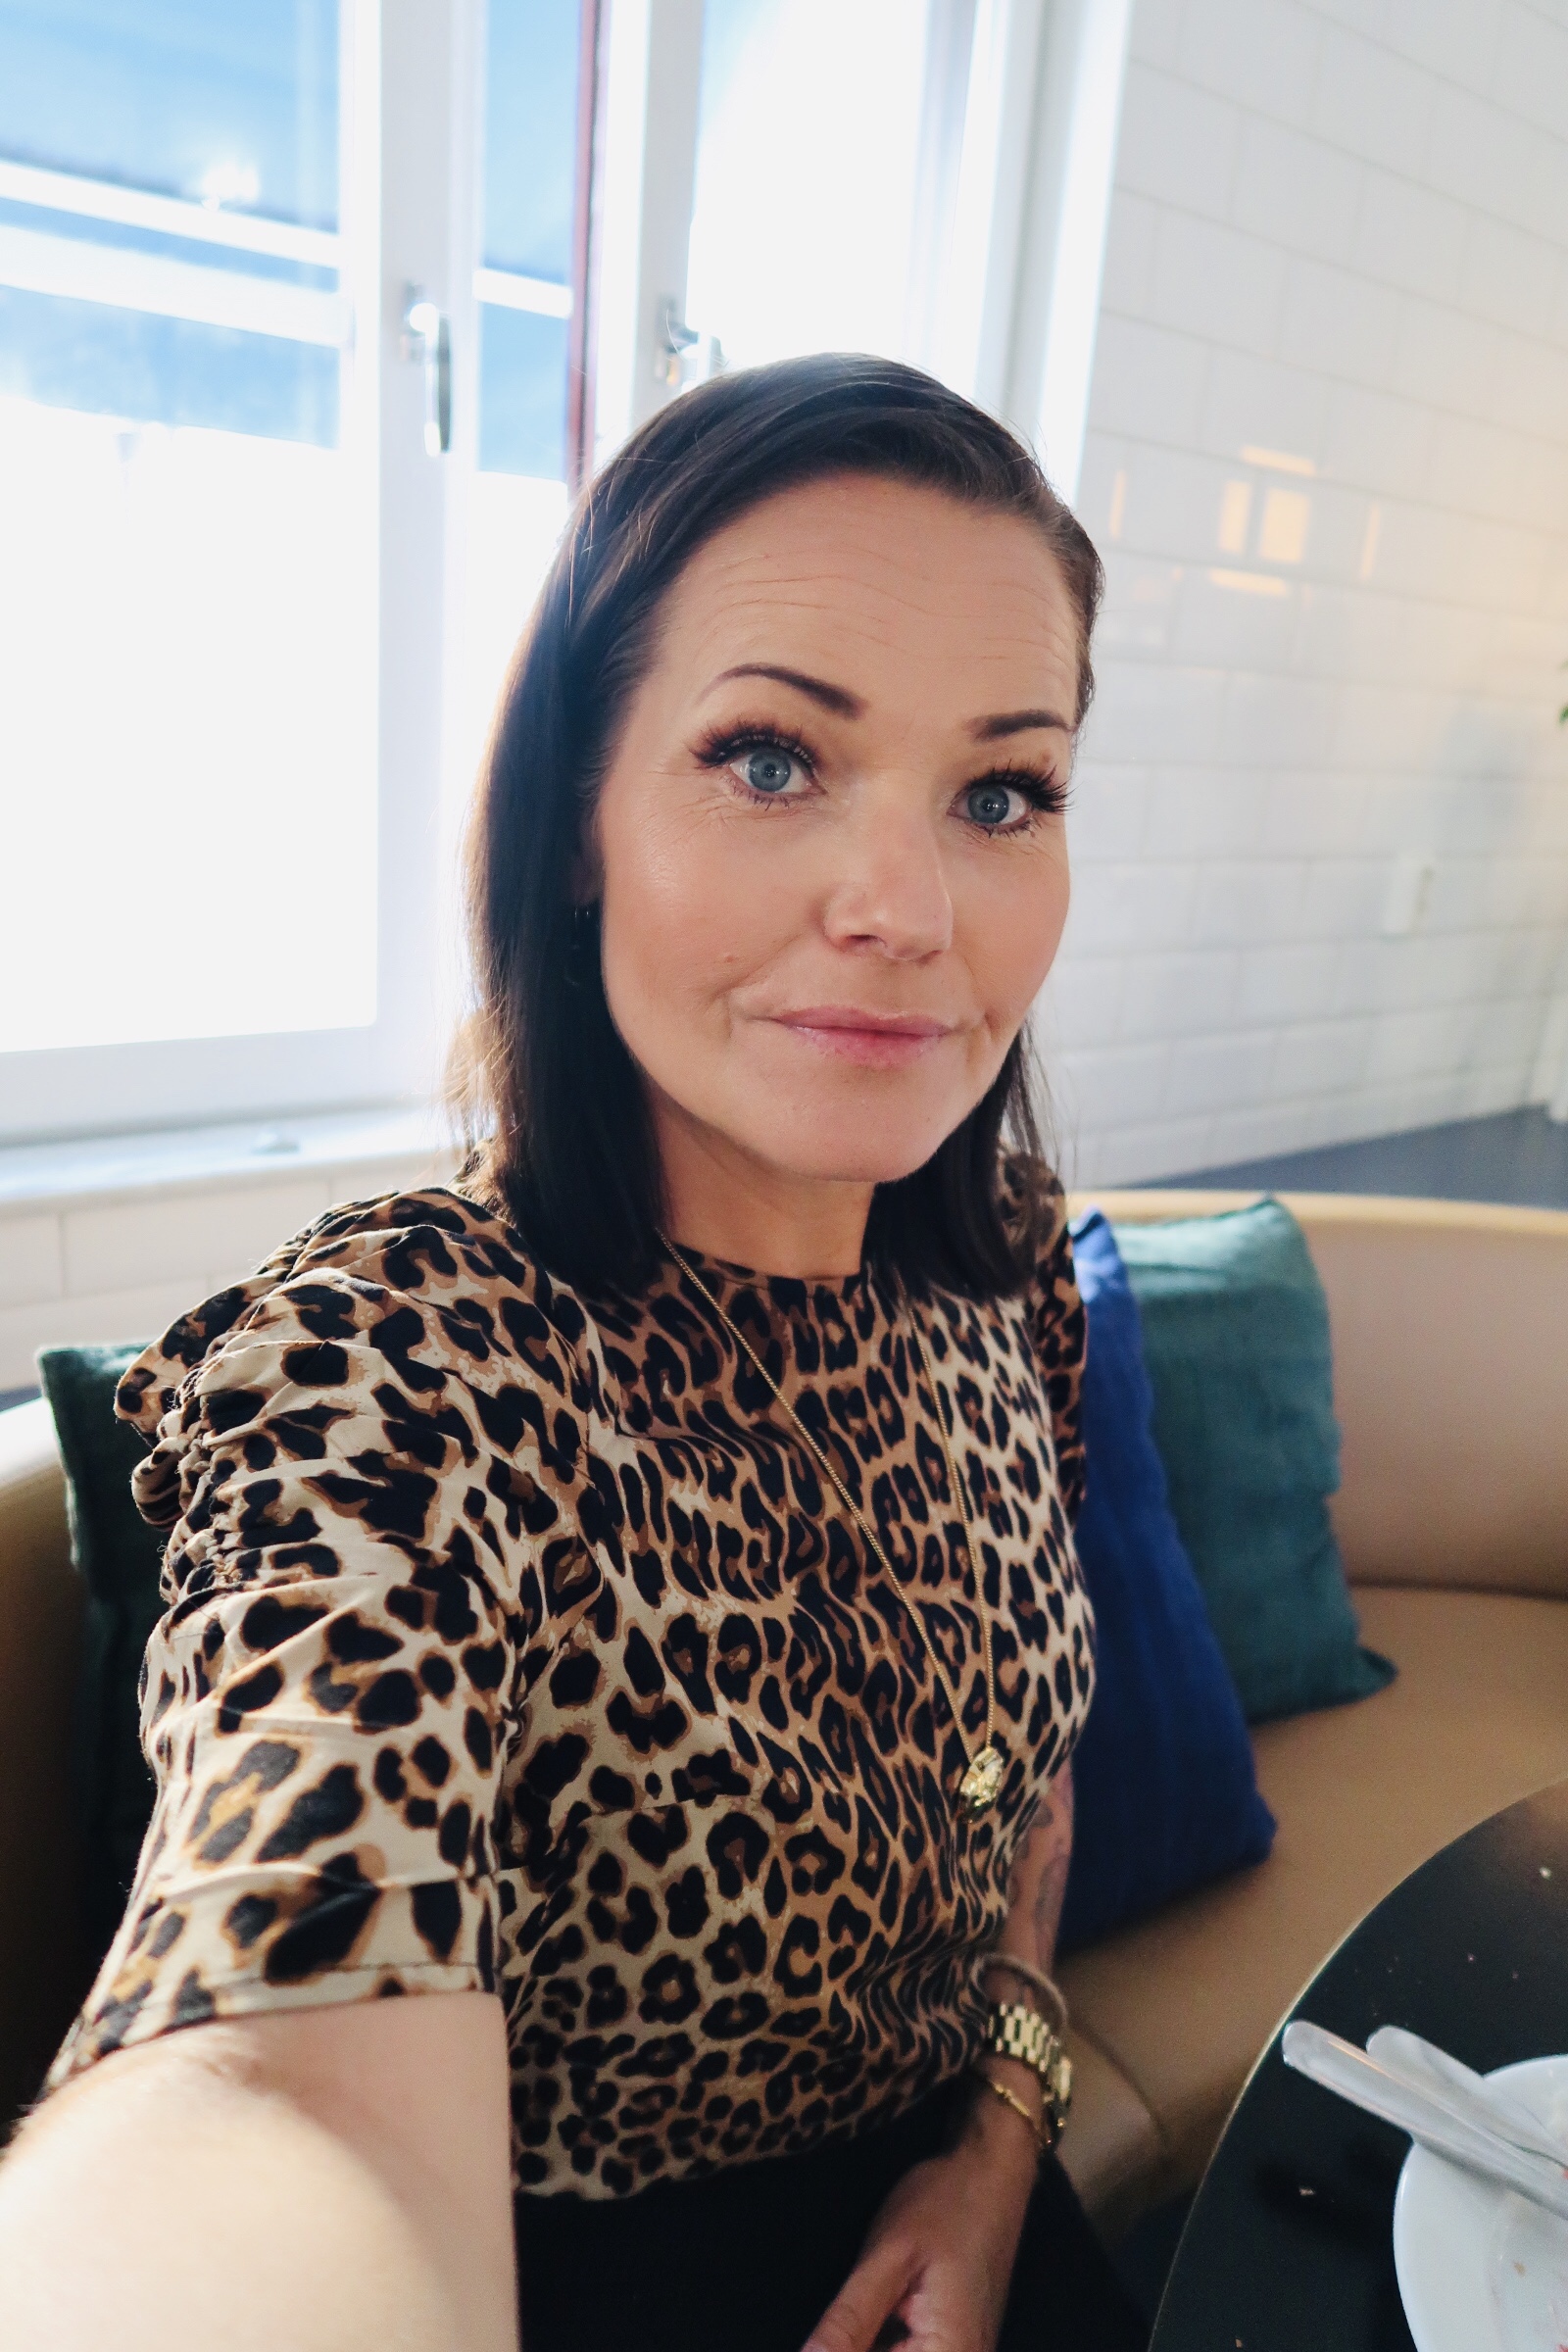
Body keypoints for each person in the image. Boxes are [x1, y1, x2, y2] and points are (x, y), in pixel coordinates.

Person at [0, 355, 1147, 2352]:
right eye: (769, 759)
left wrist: (996, 2129)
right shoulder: (403, 1365)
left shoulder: (1005, 1277)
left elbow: (1025, 1782)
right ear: (571, 826)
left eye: (1000, 793)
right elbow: (275, 2061)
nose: (905, 907)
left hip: (970, 2205)